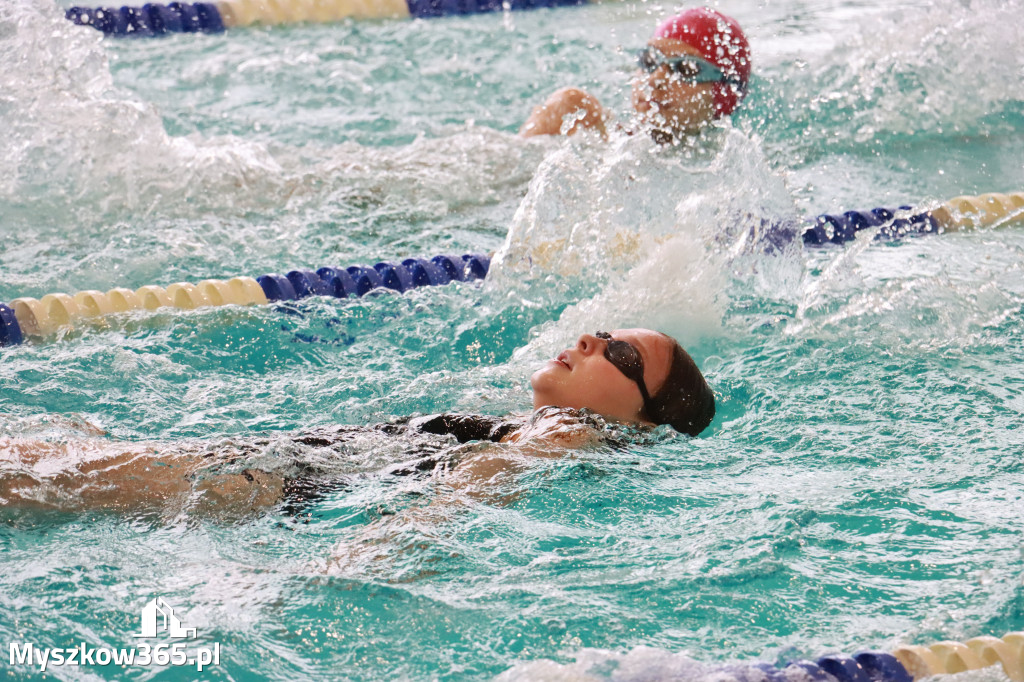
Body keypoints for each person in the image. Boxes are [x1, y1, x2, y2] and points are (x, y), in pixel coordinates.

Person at [0, 329, 714, 517]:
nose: (590, 342)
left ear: (643, 420)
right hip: (285, 471)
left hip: (274, 483)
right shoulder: (544, 424)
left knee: (22, 472)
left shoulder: (574, 433)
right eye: (600, 333)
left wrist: (360, 562)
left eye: (620, 353)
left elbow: (481, 486)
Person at [520, 7, 752, 144]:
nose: (655, 79)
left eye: (685, 70)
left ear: (724, 95)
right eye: (650, 61)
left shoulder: (734, 174)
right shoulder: (580, 123)